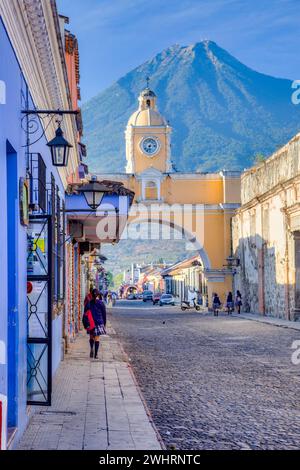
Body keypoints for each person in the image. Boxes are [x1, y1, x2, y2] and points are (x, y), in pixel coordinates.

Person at [85, 289, 107, 359]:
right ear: (98, 295)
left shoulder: (89, 303)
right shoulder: (101, 303)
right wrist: (104, 323)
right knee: (97, 338)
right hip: (99, 322)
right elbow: (104, 314)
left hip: (91, 323)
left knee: (91, 337)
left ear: (91, 294)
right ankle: (96, 354)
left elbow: (85, 313)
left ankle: (91, 349)